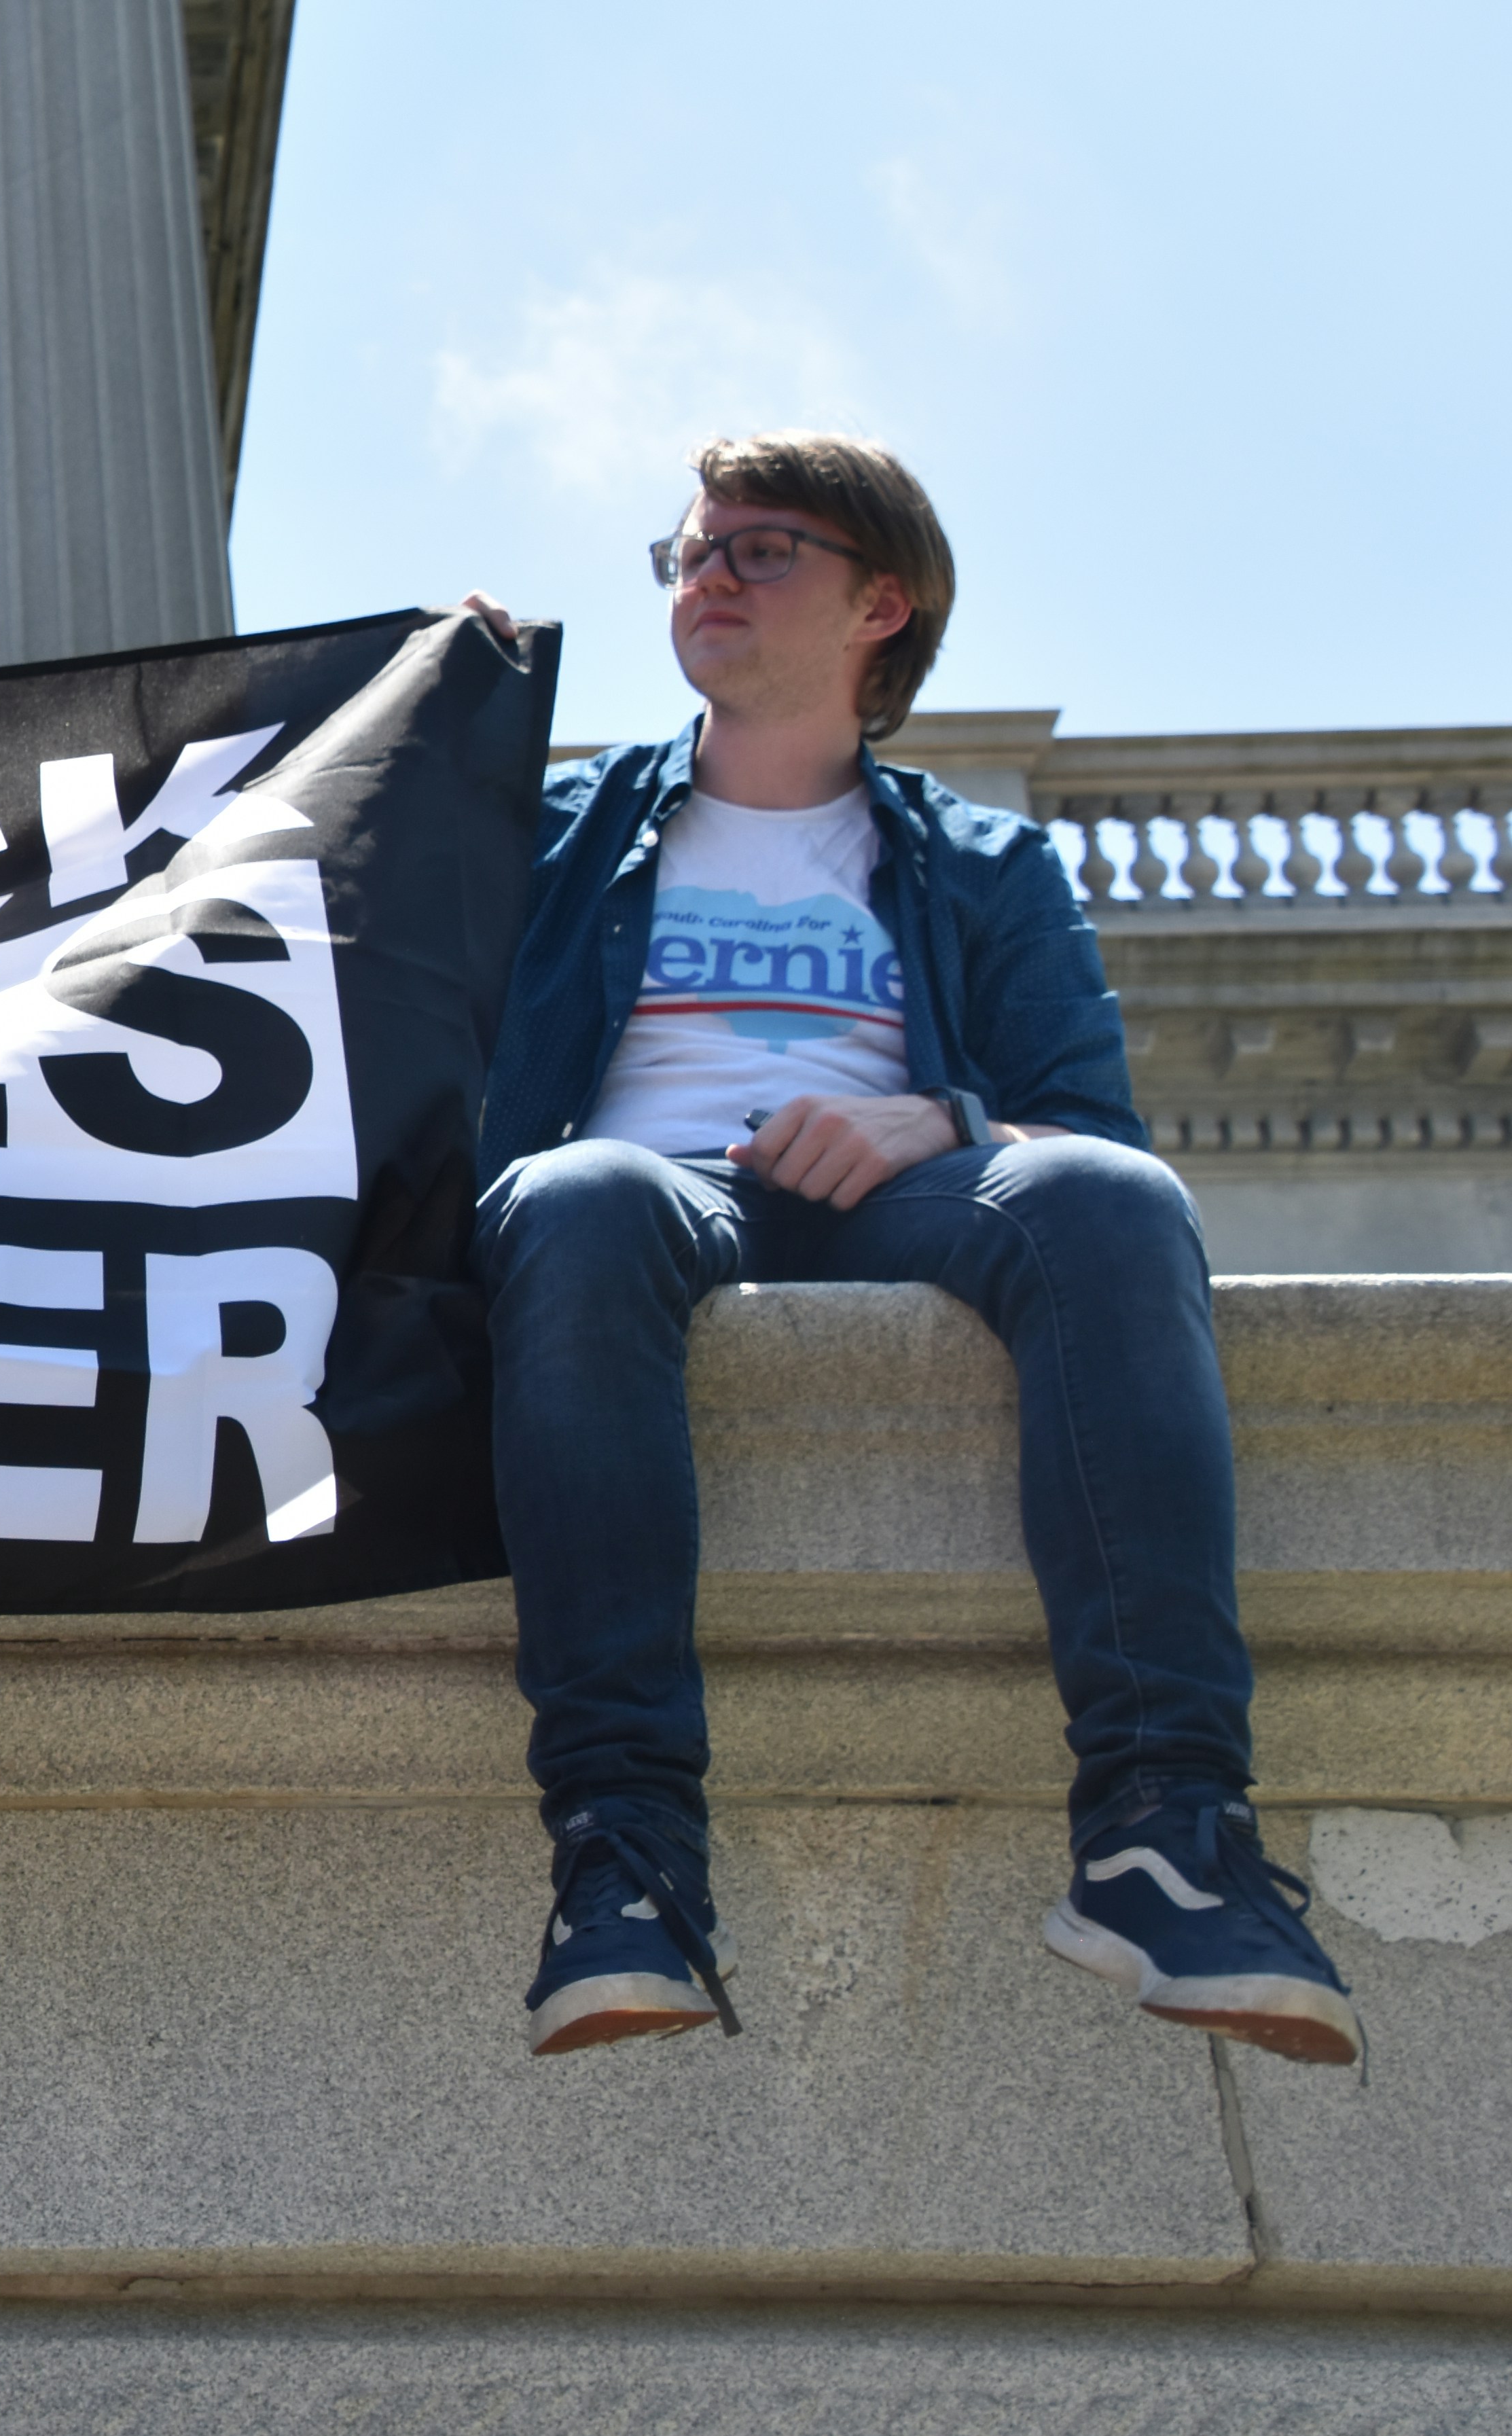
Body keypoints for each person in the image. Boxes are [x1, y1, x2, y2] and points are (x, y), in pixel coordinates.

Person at [470, 431, 1357, 2066]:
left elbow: (1087, 1128)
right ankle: (627, 1852)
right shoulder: (556, 827)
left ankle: (1162, 1833)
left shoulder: (985, 859)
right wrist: (424, 714)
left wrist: (935, 1112)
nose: (709, 575)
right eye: (689, 551)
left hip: (903, 1199)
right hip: (659, 1192)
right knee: (576, 1195)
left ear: (885, 600)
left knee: (1113, 1204)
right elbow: (325, 912)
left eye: (760, 548)